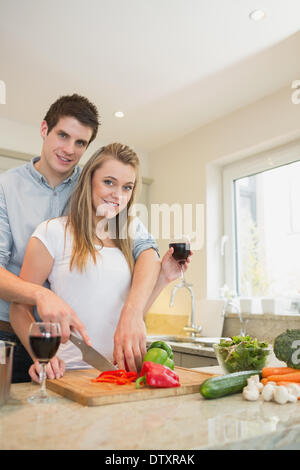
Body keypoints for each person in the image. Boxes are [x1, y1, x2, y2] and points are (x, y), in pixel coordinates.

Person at [0, 94, 161, 381]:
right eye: (63, 135)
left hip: (67, 347)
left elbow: (146, 248)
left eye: (80, 143)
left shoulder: (96, 187)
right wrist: (41, 294)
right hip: (11, 331)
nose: (69, 149)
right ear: (44, 130)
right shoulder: (6, 187)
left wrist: (134, 311)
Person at [10, 143, 190, 382]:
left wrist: (163, 278)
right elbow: (18, 308)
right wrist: (41, 357)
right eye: (109, 182)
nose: (118, 195)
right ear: (89, 180)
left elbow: (129, 314)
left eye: (127, 187)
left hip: (123, 375)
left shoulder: (128, 239)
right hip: (69, 376)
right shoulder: (52, 232)